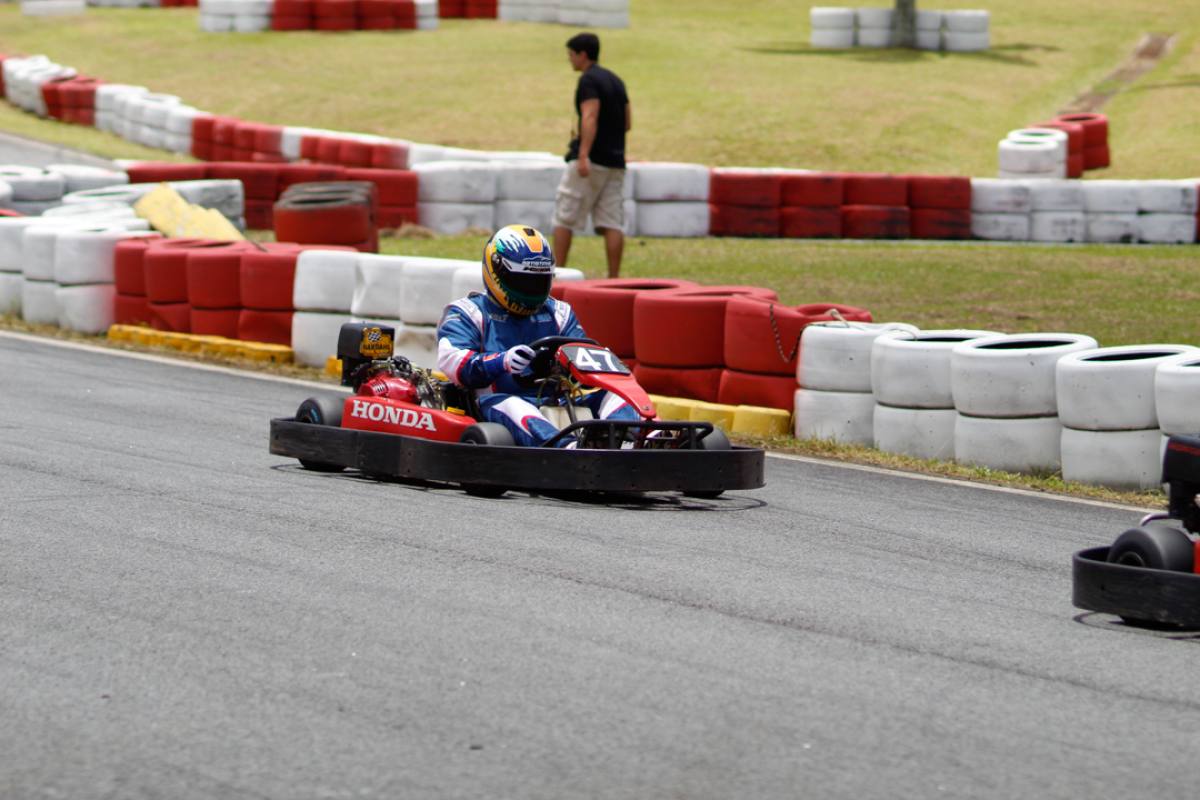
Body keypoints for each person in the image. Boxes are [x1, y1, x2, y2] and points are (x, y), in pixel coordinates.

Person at [436, 224, 639, 447]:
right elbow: (454, 363)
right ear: (498, 272)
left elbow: (579, 363)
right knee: (514, 406)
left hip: (558, 400)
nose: (532, 289)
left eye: (538, 282)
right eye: (525, 281)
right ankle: (567, 450)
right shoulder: (468, 312)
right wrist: (502, 361)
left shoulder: (559, 313)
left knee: (617, 395)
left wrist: (596, 361)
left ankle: (642, 439)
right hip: (496, 402)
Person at [552, 31, 630, 279]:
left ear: (582, 55)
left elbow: (590, 115)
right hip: (615, 161)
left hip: (592, 160)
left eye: (571, 55)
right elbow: (627, 122)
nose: (570, 60)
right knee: (611, 222)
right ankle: (614, 278)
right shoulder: (616, 80)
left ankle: (557, 275)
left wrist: (583, 154)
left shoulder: (588, 81)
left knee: (564, 217)